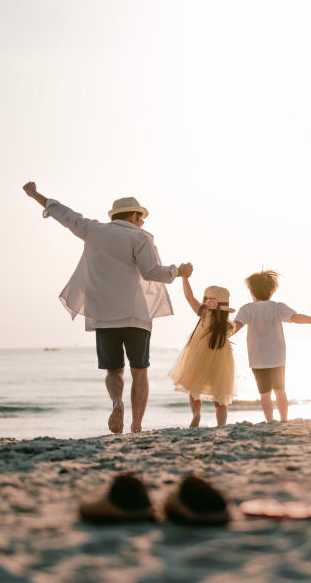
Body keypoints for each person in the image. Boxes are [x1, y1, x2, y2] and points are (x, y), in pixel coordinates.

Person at [22, 182, 193, 434]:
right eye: (141, 218)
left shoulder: (93, 230)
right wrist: (178, 271)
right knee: (139, 372)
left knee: (114, 370)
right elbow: (150, 272)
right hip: (135, 315)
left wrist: (36, 194)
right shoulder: (140, 237)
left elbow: (65, 215)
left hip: (103, 315)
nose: (143, 223)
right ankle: (136, 426)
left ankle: (116, 402)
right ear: (134, 216)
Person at [232, 270, 311, 423]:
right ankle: (284, 419)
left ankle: (269, 420)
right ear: (271, 291)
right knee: (280, 390)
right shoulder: (277, 307)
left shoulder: (247, 309)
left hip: (257, 359)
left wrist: (221, 335)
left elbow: (236, 326)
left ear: (251, 291)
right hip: (277, 357)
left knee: (264, 393)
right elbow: (296, 317)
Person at [168, 281, 236, 426]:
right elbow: (232, 330)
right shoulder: (228, 324)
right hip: (221, 360)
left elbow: (189, 296)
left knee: (194, 388)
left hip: (199, 356)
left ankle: (196, 414)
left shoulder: (204, 314)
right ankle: (221, 424)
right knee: (220, 395)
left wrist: (185, 278)